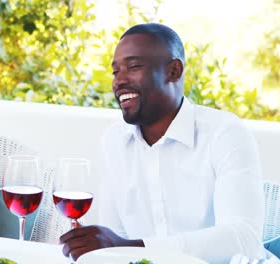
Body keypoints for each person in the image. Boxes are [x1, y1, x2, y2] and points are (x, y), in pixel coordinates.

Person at [60, 23, 267, 264]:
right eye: (116, 72)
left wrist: (135, 248)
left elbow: (244, 239)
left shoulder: (225, 133)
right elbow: (113, 237)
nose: (119, 81)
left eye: (134, 66)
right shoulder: (113, 141)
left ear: (174, 71)